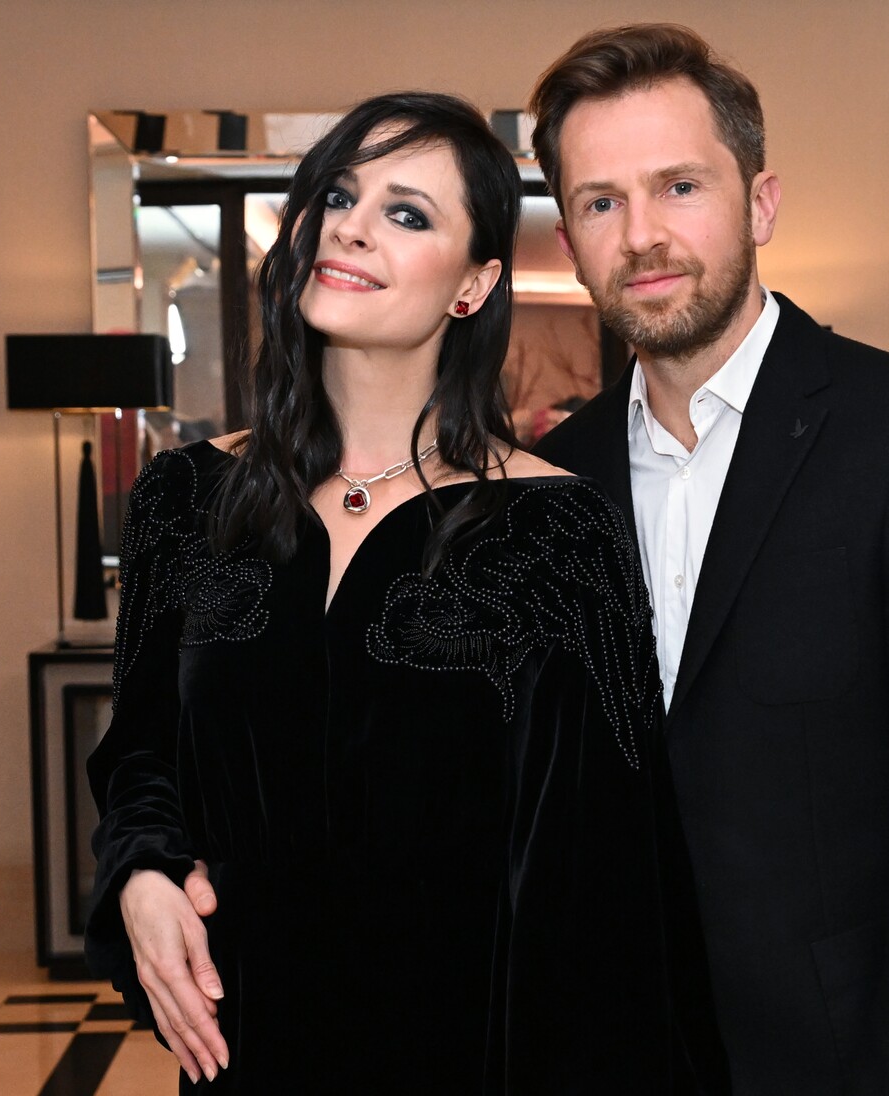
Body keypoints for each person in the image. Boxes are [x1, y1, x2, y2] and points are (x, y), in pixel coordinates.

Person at [83, 90, 724, 1094]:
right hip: (245, 1053)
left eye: (408, 213)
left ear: (474, 284)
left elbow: (606, 885)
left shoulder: (557, 531)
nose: (352, 226)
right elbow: (141, 751)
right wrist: (141, 872)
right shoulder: (186, 499)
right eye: (339, 196)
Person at [530, 25, 889, 1095]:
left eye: (679, 187)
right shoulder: (552, 484)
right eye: (601, 202)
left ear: (760, 204)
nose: (643, 235)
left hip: (862, 1060)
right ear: (571, 241)